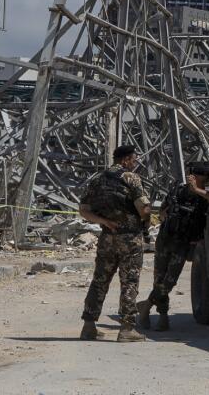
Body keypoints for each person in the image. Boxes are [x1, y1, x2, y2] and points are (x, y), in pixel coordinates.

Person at [79, 145, 151, 342]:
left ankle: (89, 326)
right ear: (126, 160)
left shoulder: (97, 179)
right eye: (134, 160)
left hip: (107, 237)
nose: (135, 164)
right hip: (130, 239)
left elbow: (83, 210)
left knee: (100, 280)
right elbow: (143, 209)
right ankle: (127, 329)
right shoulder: (131, 178)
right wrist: (148, 215)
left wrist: (104, 221)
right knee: (129, 281)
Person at [136, 163, 209, 331]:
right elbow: (162, 210)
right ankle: (163, 317)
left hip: (183, 243)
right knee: (159, 279)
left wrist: (197, 190)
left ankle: (146, 306)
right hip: (166, 239)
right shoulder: (177, 190)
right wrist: (166, 218)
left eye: (202, 175)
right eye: (195, 174)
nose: (197, 177)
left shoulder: (205, 195)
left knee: (169, 281)